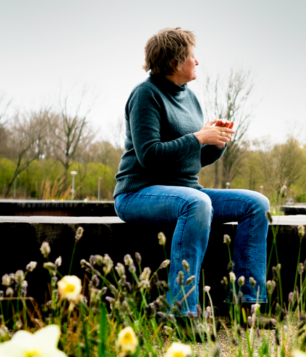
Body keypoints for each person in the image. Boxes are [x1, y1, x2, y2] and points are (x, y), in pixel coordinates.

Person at [113, 27, 269, 316]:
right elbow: (150, 157)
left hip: (186, 191)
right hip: (138, 193)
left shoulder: (190, 97)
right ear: (174, 63)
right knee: (197, 203)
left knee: (257, 204)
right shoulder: (145, 95)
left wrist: (216, 141)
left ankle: (247, 306)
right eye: (192, 57)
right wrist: (199, 137)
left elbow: (190, 161)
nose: (197, 62)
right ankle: (182, 310)